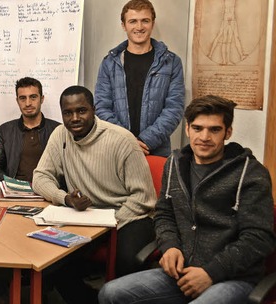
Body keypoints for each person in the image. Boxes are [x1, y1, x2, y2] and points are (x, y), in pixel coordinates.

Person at [99, 95, 276, 304]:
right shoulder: (174, 163)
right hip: (181, 273)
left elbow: (258, 238)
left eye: (215, 129)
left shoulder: (251, 173)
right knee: (110, 293)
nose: (205, 137)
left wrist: (211, 272)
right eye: (198, 128)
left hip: (232, 278)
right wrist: (170, 246)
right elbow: (164, 213)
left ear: (228, 132)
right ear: (187, 129)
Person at [32, 85, 156, 303]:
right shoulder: (61, 134)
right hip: (86, 215)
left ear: (94, 109)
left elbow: (143, 198)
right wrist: (65, 198)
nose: (75, 118)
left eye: (82, 111)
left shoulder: (122, 140)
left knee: (126, 260)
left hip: (128, 215)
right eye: (68, 113)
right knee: (50, 258)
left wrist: (109, 223)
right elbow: (40, 177)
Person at [94, 0, 185, 157]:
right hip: (117, 149)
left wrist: (146, 141)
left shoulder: (171, 62)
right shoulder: (109, 63)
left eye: (145, 21)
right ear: (124, 25)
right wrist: (127, 141)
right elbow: (102, 107)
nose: (139, 27)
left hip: (155, 150)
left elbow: (174, 108)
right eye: (133, 21)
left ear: (152, 23)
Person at [0, 76, 60, 183]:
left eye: (33, 97)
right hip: (13, 193)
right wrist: (12, 184)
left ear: (42, 99)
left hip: (48, 193)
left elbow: (65, 168)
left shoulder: (58, 130)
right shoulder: (4, 131)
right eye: (23, 98)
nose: (28, 103)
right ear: (17, 101)